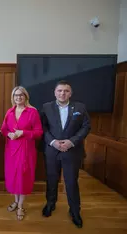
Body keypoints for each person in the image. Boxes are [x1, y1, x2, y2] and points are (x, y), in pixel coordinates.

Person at [41, 80, 90, 228]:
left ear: (71, 93)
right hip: (52, 150)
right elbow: (42, 127)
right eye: (60, 91)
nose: (63, 93)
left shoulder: (80, 107)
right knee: (51, 180)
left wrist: (71, 141)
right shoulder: (46, 107)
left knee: (71, 182)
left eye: (66, 91)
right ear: (55, 92)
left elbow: (86, 126)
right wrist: (53, 142)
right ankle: (50, 204)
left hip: (72, 150)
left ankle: (75, 211)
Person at [1, 86, 43, 220]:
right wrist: (9, 134)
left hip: (26, 150)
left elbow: (39, 132)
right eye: (15, 95)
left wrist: (23, 132)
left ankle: (20, 206)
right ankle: (15, 201)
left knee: (23, 177)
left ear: (26, 97)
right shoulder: (10, 112)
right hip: (11, 149)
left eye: (21, 95)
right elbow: (3, 129)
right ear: (12, 98)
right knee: (13, 176)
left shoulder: (32, 112)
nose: (18, 97)